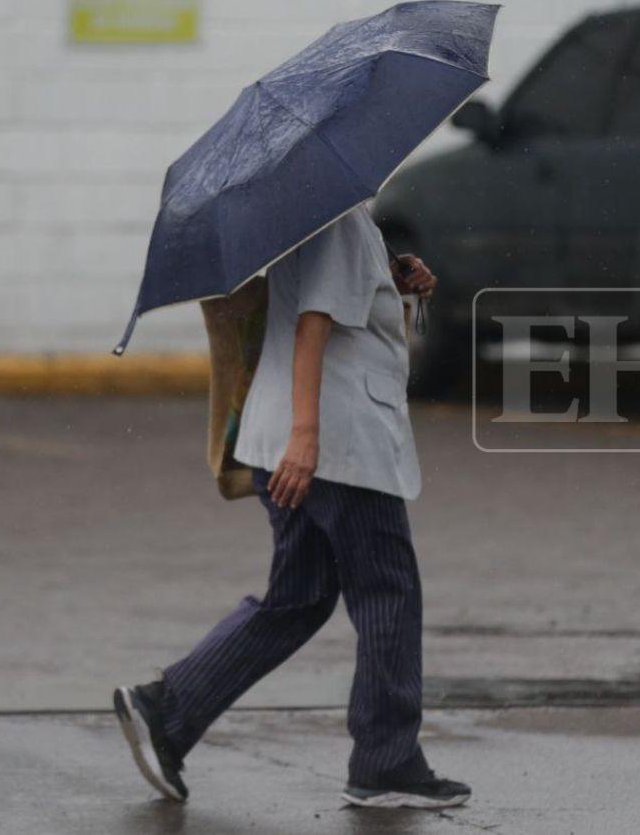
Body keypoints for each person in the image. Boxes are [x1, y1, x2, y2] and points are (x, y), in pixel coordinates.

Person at [111, 204, 470, 810]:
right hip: (336, 444)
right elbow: (314, 321)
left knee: (296, 598)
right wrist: (307, 437)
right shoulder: (336, 216)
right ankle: (387, 762)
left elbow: (333, 297)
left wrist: (389, 276)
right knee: (388, 592)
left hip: (287, 438)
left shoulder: (306, 217)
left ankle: (166, 713)